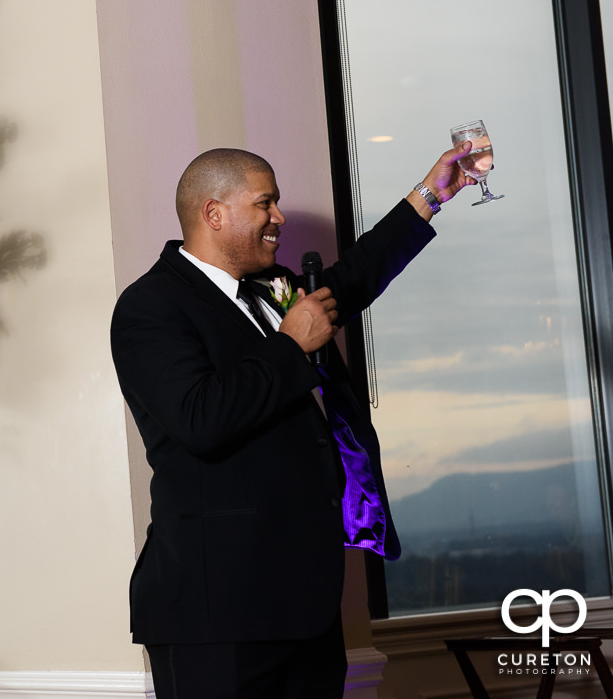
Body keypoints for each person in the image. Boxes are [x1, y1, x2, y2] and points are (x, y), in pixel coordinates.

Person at [109, 144, 476, 699]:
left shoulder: (275, 289)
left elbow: (353, 278)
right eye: (266, 203)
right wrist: (289, 345)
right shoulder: (150, 306)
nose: (279, 217)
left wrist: (429, 196)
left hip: (307, 605)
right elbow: (199, 418)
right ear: (214, 213)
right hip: (218, 615)